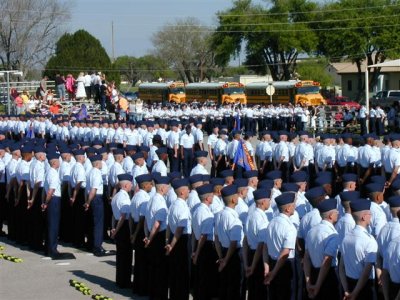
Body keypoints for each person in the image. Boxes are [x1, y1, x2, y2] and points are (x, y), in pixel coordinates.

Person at [339, 199, 378, 300]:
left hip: (350, 284)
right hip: (365, 288)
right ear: (364, 217)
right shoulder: (369, 240)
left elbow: (341, 268)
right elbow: (366, 272)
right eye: (370, 214)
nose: (371, 216)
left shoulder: (346, 237)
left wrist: (346, 290)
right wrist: (355, 293)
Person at [303, 198, 340, 300]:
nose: (338, 213)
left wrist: (308, 282)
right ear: (331, 215)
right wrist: (318, 286)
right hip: (327, 277)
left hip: (314, 274)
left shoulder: (311, 231)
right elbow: (327, 261)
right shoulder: (332, 234)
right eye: (336, 212)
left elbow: (306, 257)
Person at [263, 192, 297, 300]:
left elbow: (265, 247)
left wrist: (267, 268)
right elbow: (285, 253)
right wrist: (273, 273)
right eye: (293, 205)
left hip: (273, 263)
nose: (294, 207)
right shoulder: (289, 227)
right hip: (284, 266)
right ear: (287, 209)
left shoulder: (271, 223)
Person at [214, 184, 243, 300]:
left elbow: (216, 238)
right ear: (233, 199)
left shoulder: (219, 215)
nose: (238, 197)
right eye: (237, 195)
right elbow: (234, 242)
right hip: (233, 254)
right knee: (234, 287)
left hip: (224, 251)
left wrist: (221, 256)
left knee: (225, 285)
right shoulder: (232, 218)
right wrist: (225, 260)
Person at [144, 175, 170, 300]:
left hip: (152, 235)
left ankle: (153, 294)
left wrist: (147, 236)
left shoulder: (151, 199)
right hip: (157, 237)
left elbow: (146, 220)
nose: (168, 189)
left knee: (154, 268)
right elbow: (157, 224)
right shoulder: (160, 202)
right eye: (167, 187)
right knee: (160, 269)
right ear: (162, 188)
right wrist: (150, 238)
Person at [192, 183, 218, 300]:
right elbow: (203, 235)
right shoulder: (206, 213)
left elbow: (195, 233)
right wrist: (197, 253)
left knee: (201, 276)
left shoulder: (197, 210)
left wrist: (194, 250)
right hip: (205, 247)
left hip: (199, 244)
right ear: (208, 198)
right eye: (212, 195)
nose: (213, 197)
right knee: (206, 278)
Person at [166, 178, 192, 300]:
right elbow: (180, 229)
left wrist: (168, 242)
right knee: (183, 273)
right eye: (187, 189)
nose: (189, 191)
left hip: (174, 239)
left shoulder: (173, 205)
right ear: (182, 192)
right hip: (180, 241)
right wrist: (172, 244)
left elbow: (168, 226)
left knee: (175, 272)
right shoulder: (182, 207)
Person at [243, 188, 270, 300]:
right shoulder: (261, 218)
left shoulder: (250, 215)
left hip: (250, 254)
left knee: (253, 289)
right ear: (263, 202)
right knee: (260, 291)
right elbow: (261, 245)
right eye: (269, 199)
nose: (270, 202)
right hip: (258, 258)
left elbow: (245, 241)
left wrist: (246, 264)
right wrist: (253, 266)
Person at [130, 174, 153, 296]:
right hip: (141, 230)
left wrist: (131, 232)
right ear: (145, 185)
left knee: (139, 260)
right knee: (144, 261)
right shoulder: (144, 198)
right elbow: (142, 219)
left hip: (135, 228)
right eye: (150, 183)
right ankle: (143, 288)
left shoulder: (135, 197)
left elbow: (130, 217)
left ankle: (137, 287)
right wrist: (139, 234)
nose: (151, 185)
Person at [111, 173, 133, 288]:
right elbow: (123, 216)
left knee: (120, 256)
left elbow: (114, 216)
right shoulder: (124, 197)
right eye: (130, 184)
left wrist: (113, 228)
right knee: (126, 256)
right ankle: (125, 281)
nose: (132, 186)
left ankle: (120, 280)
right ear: (125, 185)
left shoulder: (116, 196)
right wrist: (116, 230)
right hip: (123, 227)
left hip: (117, 226)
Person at [42, 152, 62, 258]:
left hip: (50, 200)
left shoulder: (48, 172)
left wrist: (44, 202)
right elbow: (51, 190)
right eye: (58, 160)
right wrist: (46, 202)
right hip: (53, 200)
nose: (59, 162)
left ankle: (48, 249)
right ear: (54, 162)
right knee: (53, 226)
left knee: (50, 225)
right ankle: (52, 250)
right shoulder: (53, 173)